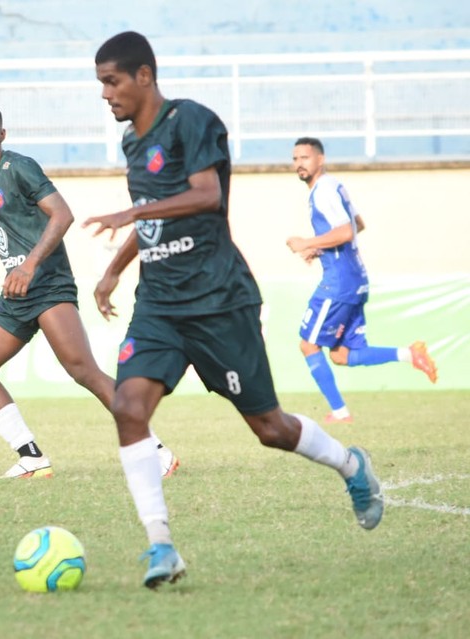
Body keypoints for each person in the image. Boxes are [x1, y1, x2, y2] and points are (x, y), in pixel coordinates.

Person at [83, 32, 384, 590]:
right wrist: (115, 269)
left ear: (144, 76)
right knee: (128, 406)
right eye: (101, 83)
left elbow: (206, 196)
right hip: (160, 304)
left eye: (111, 81)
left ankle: (351, 465)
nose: (105, 93)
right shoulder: (131, 142)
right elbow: (154, 217)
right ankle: (161, 544)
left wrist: (131, 214)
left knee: (269, 428)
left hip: (219, 300)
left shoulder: (192, 121)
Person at [0, 103, 178, 479]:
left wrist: (29, 265)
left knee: (84, 371)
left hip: (47, 285)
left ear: (1, 134)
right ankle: (31, 456)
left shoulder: (19, 167)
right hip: (16, 292)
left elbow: (62, 214)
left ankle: (155, 449)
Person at [287, 137, 438, 423]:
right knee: (342, 355)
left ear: (320, 159)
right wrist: (320, 250)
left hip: (339, 282)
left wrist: (307, 242)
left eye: (305, 158)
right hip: (356, 279)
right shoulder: (334, 186)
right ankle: (410, 354)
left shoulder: (323, 191)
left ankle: (340, 412)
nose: (299, 164)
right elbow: (358, 225)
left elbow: (346, 232)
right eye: (295, 159)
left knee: (308, 345)